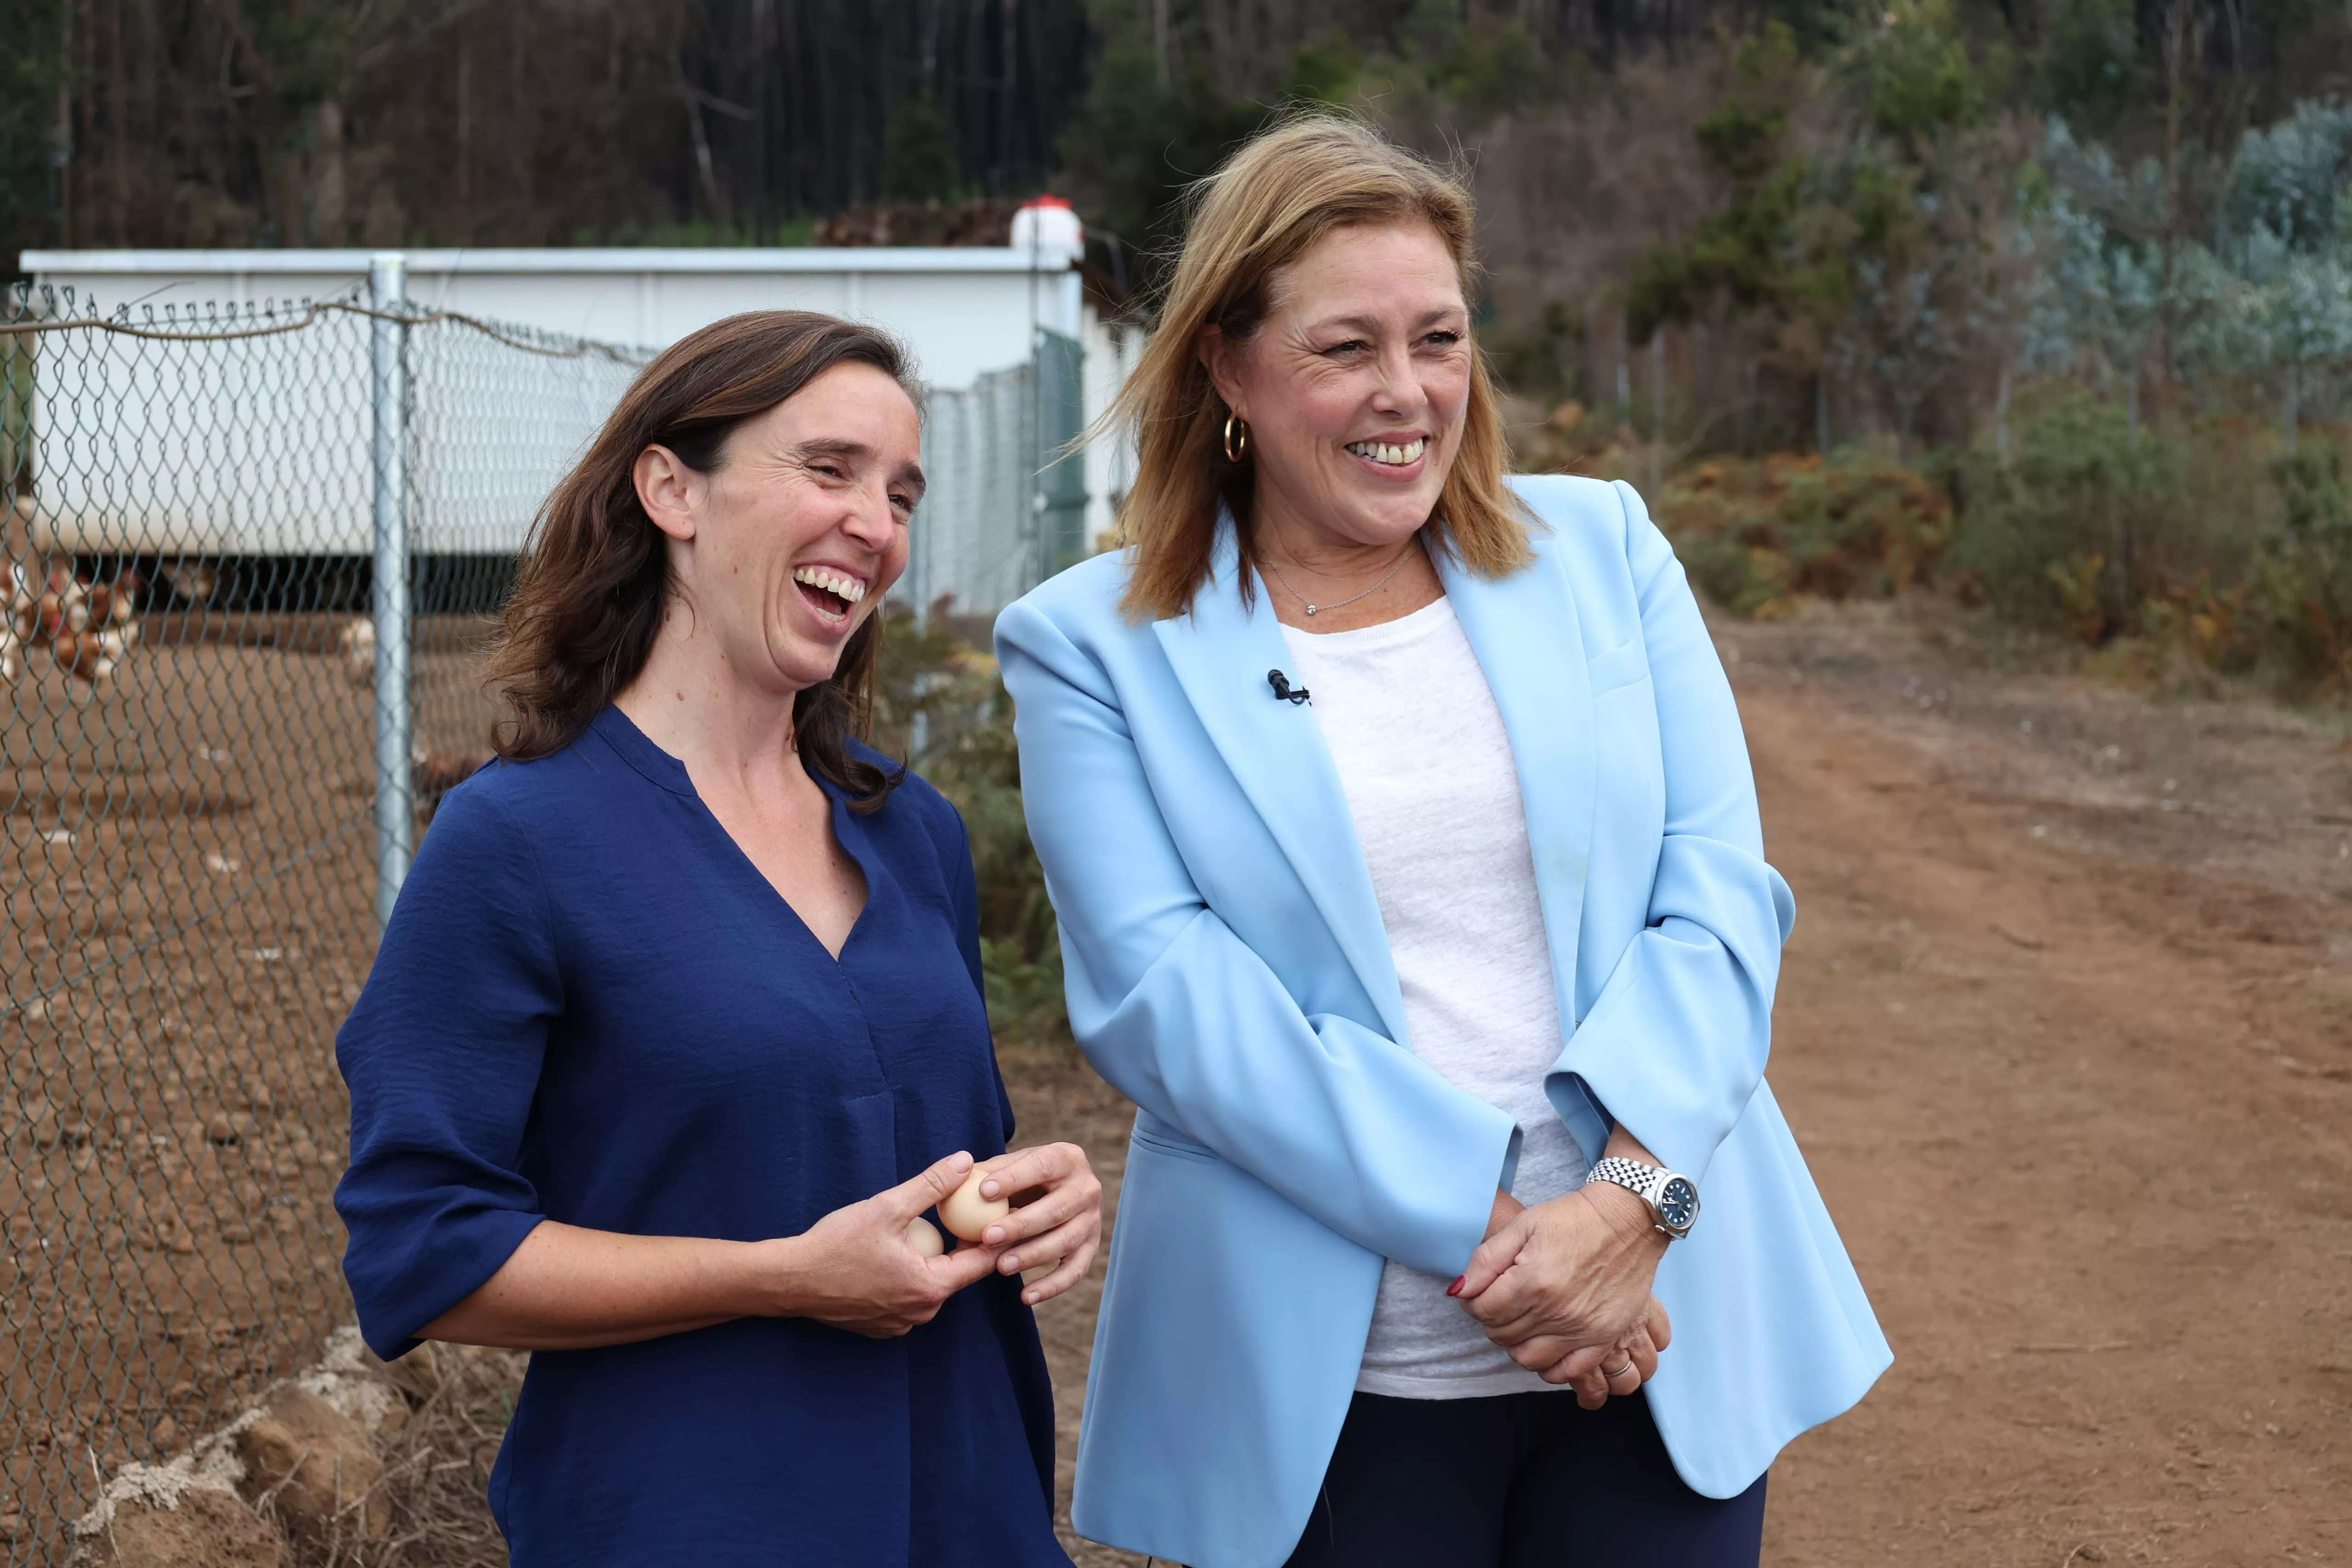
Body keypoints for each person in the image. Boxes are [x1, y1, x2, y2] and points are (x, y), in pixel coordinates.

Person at [995, 115, 1889, 1568]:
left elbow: (1720, 900)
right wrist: (1513, 1247)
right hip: (1334, 1392)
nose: (1405, 393)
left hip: (1653, 1334)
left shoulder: (1606, 551)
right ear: (1223, 361)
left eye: (1439, 338)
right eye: (1344, 347)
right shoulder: (1091, 647)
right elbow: (1169, 1002)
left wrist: (1626, 1213)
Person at [336, 310, 1100, 1567]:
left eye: (902, 492)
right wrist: (775, 1275)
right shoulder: (516, 841)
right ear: (670, 489)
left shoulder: (914, 832)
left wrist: (1029, 1200)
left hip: (966, 1509)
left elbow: (921, 1155)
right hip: (687, 1514)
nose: (880, 525)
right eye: (830, 468)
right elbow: (422, 1247)